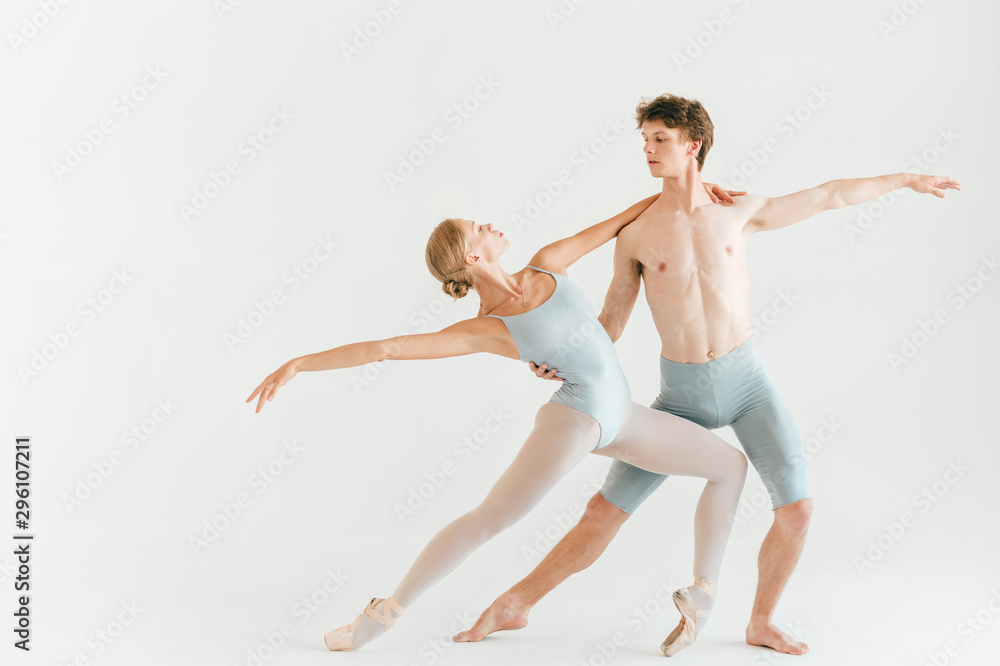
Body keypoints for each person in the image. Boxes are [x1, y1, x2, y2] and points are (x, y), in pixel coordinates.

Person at [455, 93, 961, 655]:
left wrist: (908, 178)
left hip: (748, 386)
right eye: (644, 140)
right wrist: (559, 356)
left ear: (693, 145)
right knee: (603, 511)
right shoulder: (637, 234)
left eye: (660, 140)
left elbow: (828, 195)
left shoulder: (738, 211)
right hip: (682, 397)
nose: (647, 150)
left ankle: (760, 622)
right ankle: (513, 604)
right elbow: (610, 322)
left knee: (798, 510)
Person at [245, 191, 749, 655]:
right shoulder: (487, 328)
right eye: (477, 226)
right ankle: (384, 613)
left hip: (625, 415)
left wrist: (691, 190)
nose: (489, 223)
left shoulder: (549, 262)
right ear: (471, 257)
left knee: (730, 465)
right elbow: (389, 348)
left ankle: (702, 596)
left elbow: (621, 222)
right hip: (576, 417)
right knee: (489, 519)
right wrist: (299, 363)